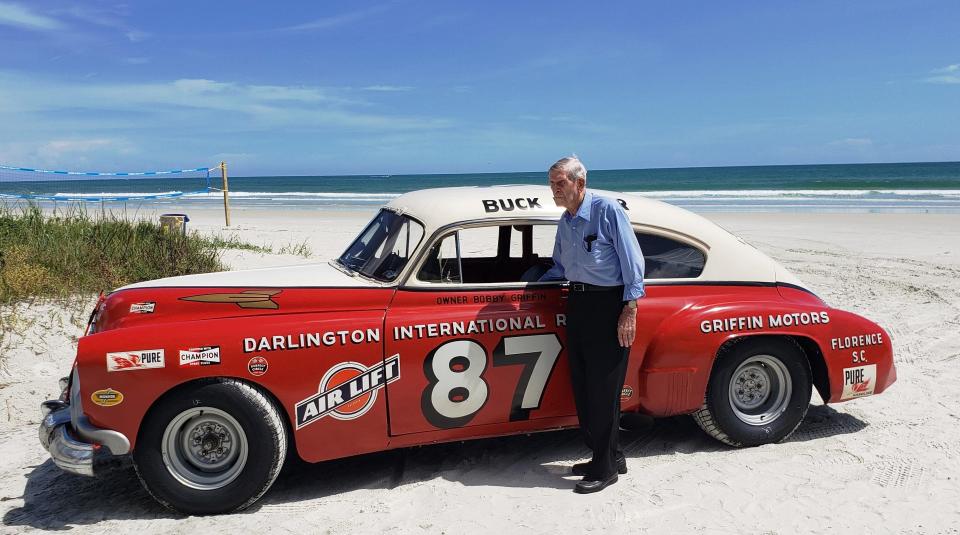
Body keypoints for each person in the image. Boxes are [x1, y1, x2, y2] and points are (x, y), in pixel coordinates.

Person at [540, 156, 645, 494]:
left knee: (604, 389)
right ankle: (611, 455)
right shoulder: (566, 221)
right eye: (552, 183)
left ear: (579, 183)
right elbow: (559, 266)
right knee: (584, 385)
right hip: (579, 303)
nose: (555, 189)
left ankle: (605, 469)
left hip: (609, 303)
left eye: (561, 183)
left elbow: (633, 260)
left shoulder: (607, 210)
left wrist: (630, 308)